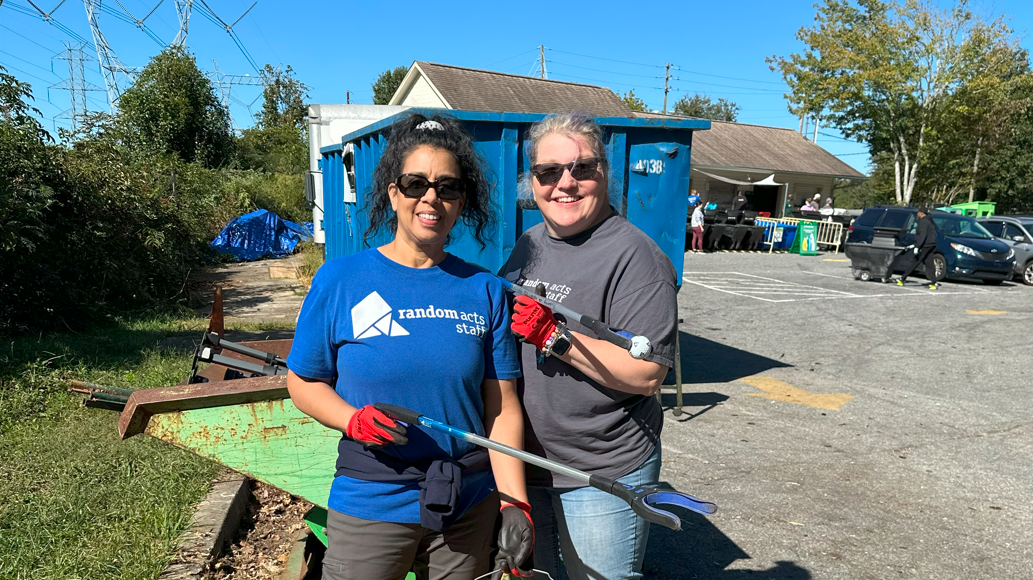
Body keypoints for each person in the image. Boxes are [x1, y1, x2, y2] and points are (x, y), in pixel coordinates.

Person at [286, 114, 533, 580]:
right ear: (394, 193)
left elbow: (501, 408)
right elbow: (302, 380)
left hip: (467, 503)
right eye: (416, 183)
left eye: (448, 187)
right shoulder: (342, 280)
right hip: (372, 499)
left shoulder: (484, 290)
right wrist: (351, 419)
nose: (431, 198)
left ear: (463, 201)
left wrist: (514, 500)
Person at [498, 112, 677, 580]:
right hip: (527, 462)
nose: (565, 183)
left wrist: (555, 338)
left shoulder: (635, 257)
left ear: (604, 173)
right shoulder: (530, 242)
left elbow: (647, 375)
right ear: (531, 181)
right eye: (548, 172)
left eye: (582, 168)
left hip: (600, 468)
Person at [897, 208, 940, 289]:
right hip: (931, 244)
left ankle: (902, 278)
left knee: (915, 261)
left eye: (918, 213)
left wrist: (917, 246)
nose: (917, 214)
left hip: (925, 245)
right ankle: (934, 282)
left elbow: (922, 235)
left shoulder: (923, 222)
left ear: (921, 213)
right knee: (929, 263)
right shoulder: (930, 221)